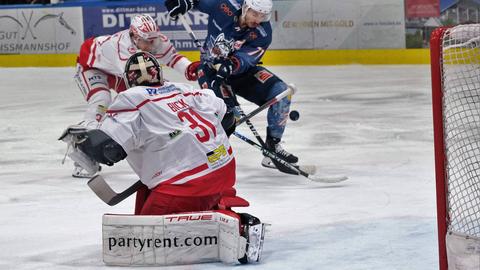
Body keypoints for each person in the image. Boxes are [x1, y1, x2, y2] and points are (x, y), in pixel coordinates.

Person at [60, 51, 264, 263]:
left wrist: (84, 142)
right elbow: (228, 117)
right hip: (223, 171)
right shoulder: (186, 89)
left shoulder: (131, 98)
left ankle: (237, 225)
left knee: (141, 245)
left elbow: (109, 150)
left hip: (185, 186)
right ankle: (216, 208)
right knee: (150, 185)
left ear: (129, 80)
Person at [164, 0, 299, 171]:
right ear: (245, 8)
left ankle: (272, 148)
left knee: (282, 92)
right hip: (210, 72)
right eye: (255, 14)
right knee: (228, 116)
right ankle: (208, 154)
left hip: (241, 74)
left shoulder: (263, 33)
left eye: (263, 15)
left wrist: (232, 64)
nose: (258, 19)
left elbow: (247, 59)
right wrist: (182, 3)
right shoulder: (224, 6)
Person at [72, 13, 200, 178]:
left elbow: (173, 58)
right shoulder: (119, 48)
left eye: (153, 40)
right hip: (91, 67)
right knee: (102, 100)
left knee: (148, 101)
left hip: (119, 71)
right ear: (134, 36)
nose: (151, 44)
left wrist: (191, 69)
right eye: (146, 41)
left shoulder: (154, 39)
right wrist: (173, 93)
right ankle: (84, 147)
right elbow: (145, 82)